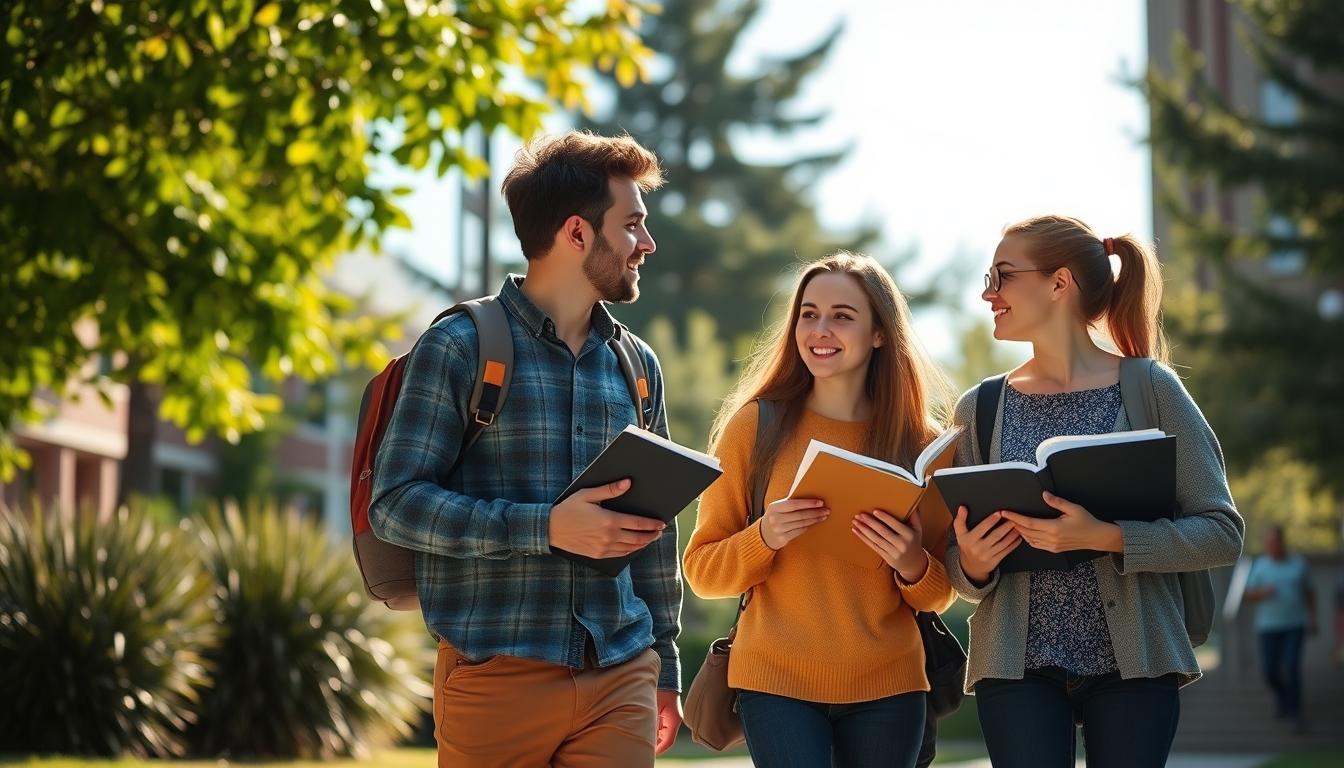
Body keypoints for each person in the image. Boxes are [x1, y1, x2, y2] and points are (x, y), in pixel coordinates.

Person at [369, 131, 683, 767]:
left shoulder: (637, 365)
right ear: (576, 233)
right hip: (494, 671)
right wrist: (547, 528)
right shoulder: (459, 346)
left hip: (620, 669)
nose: (645, 245)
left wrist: (667, 665)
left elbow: (656, 532)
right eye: (632, 226)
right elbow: (396, 504)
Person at [945, 215, 1244, 768]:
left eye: (1002, 275)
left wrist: (1106, 537)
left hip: (1136, 664)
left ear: (1059, 283)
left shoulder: (1151, 387)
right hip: (1015, 666)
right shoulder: (979, 408)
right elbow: (954, 561)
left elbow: (1222, 532)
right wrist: (972, 562)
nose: (988, 292)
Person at [683, 252, 957, 768]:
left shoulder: (923, 445)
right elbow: (702, 571)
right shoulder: (755, 427)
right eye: (809, 313)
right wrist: (764, 535)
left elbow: (938, 594)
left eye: (842, 315)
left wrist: (911, 561)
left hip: (890, 684)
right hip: (774, 680)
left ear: (879, 333)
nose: (820, 329)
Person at [1244, 525, 1317, 729]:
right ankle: (1283, 699)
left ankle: (1295, 713)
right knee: (1270, 671)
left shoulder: (1298, 564)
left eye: (1276, 541)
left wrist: (1313, 618)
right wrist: (1263, 593)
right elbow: (1249, 594)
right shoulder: (1261, 566)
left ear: (1282, 542)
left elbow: (1310, 592)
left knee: (1292, 667)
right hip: (1268, 627)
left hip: (1295, 624)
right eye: (1269, 542)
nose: (1272, 546)